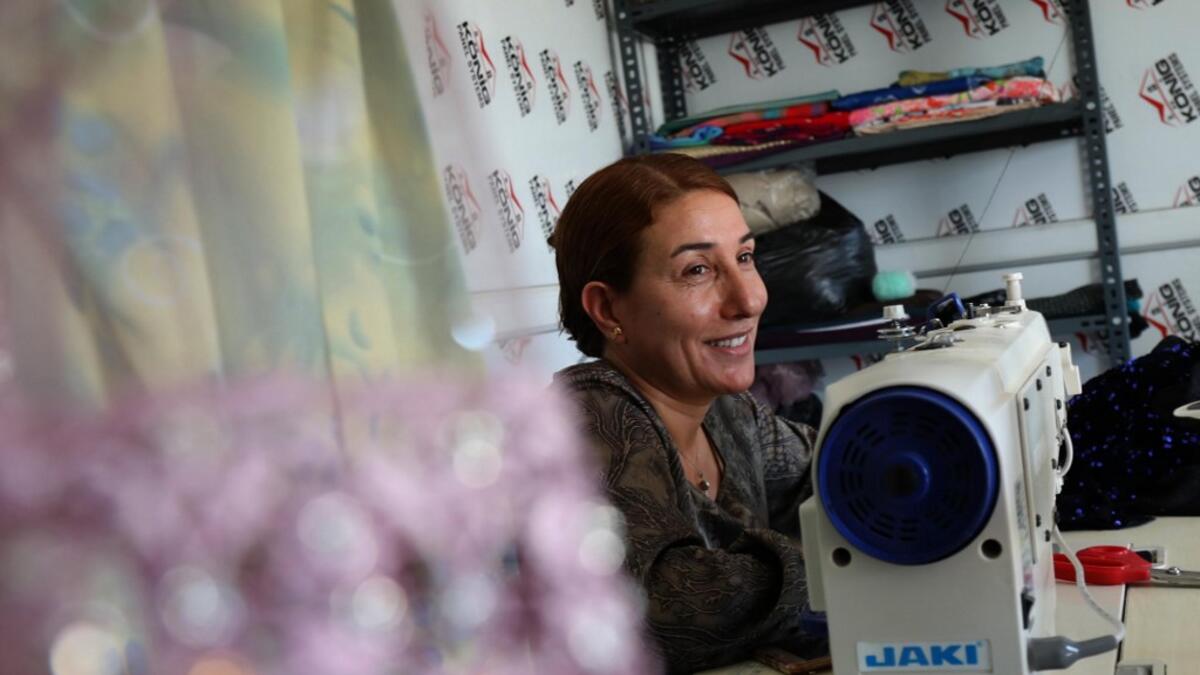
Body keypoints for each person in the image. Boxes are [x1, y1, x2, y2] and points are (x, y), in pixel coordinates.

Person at [549, 153, 824, 673]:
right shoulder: (590, 416)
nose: (749, 299)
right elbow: (673, 608)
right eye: (697, 270)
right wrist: (837, 561)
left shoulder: (728, 414)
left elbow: (834, 469)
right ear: (608, 309)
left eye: (745, 257)